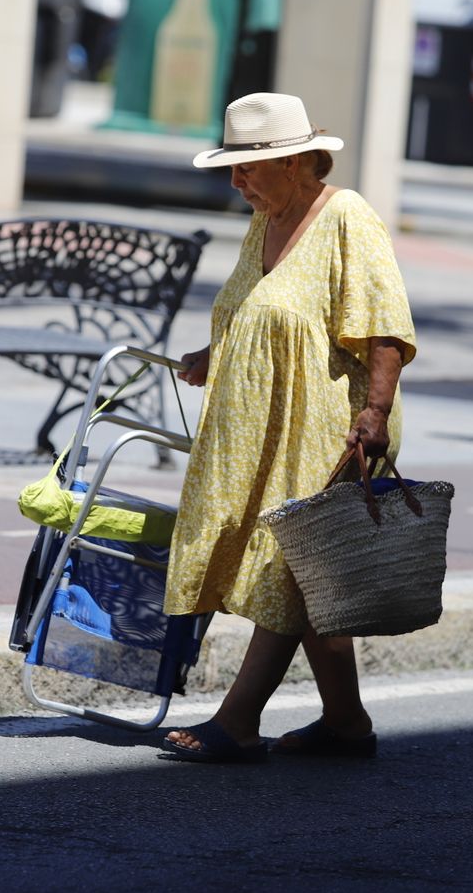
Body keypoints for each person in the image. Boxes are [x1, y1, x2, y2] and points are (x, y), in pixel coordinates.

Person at [161, 92, 417, 764]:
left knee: (292, 563)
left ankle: (238, 720)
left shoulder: (346, 218)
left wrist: (374, 416)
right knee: (313, 573)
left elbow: (385, 323)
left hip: (330, 427)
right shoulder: (265, 221)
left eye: (251, 166)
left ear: (300, 162)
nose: (236, 180)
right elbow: (261, 309)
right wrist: (214, 354)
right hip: (261, 429)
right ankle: (346, 723)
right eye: (234, 168)